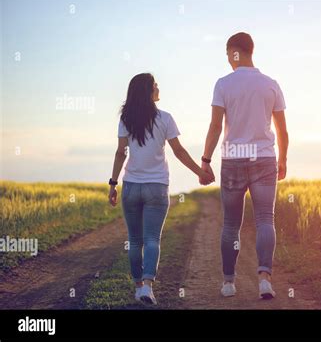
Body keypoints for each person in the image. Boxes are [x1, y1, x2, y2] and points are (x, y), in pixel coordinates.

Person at [108, 73, 214, 305]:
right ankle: (147, 287)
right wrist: (200, 172)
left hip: (131, 187)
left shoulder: (126, 119)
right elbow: (179, 151)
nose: (158, 88)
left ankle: (138, 288)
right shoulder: (165, 118)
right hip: (157, 187)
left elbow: (120, 153)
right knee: (153, 239)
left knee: (135, 241)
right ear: (147, 91)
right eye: (155, 85)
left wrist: (113, 183)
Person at [200, 32, 289, 299]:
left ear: (234, 52)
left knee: (230, 224)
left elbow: (216, 126)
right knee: (265, 219)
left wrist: (205, 160)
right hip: (264, 159)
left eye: (228, 54)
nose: (228, 59)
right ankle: (264, 280)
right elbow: (282, 131)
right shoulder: (270, 84)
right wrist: (282, 159)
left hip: (234, 159)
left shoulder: (223, 84)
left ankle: (228, 283)